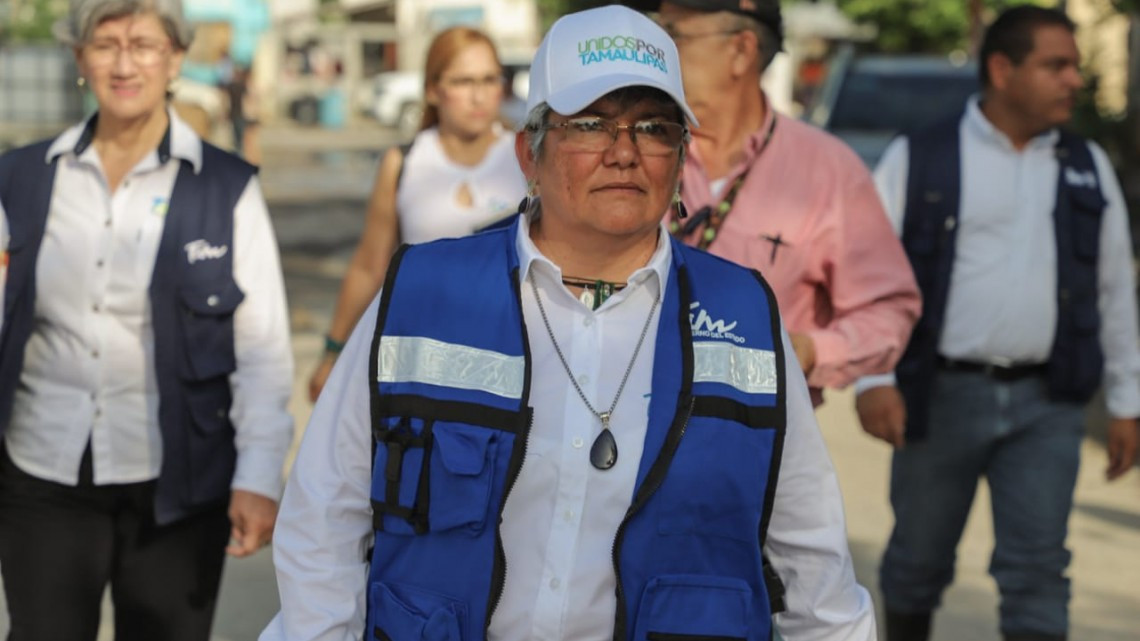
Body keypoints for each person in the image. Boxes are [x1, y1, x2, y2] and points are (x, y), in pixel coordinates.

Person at [263, 6, 876, 640]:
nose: (624, 153)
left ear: (681, 159)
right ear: (529, 153)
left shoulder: (743, 313)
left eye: (654, 128)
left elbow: (814, 565)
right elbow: (323, 518)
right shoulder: (423, 292)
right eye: (589, 125)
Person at [0, 1, 295, 639]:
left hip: (180, 481)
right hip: (43, 470)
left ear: (176, 59)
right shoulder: (19, 178)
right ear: (79, 58)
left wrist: (258, 477)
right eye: (105, 44)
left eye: (144, 45)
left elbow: (262, 349)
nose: (124, 64)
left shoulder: (225, 186)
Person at [857, 6, 1140, 641]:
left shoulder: (1086, 164)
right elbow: (869, 273)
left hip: (1049, 404)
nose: (1074, 81)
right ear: (1003, 70)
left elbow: (1114, 289)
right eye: (1056, 66)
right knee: (916, 564)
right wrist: (875, 378)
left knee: (1038, 573)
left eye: (1075, 66)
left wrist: (1128, 401)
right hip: (939, 397)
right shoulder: (920, 157)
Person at [646, 0, 921, 409]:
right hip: (626, 417)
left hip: (759, 429)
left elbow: (887, 309)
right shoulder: (633, 148)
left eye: (674, 34)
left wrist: (809, 351)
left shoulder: (828, 170)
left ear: (741, 51)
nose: (655, 47)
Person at [307, 26, 526, 401]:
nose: (478, 95)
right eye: (463, 81)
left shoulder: (526, 159)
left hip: (509, 356)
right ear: (432, 89)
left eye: (490, 79)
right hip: (422, 361)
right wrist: (332, 352)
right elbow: (370, 266)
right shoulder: (404, 162)